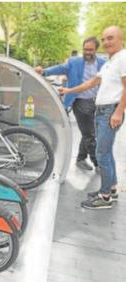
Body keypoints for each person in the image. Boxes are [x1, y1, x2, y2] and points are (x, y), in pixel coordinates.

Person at [59, 26, 126, 209]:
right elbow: (91, 83)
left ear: (121, 38)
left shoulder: (123, 58)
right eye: (104, 39)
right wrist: (69, 90)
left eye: (110, 38)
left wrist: (119, 111)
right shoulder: (110, 62)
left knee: (101, 154)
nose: (106, 42)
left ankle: (104, 197)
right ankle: (111, 189)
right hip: (103, 110)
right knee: (106, 152)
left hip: (110, 111)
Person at [35, 37, 106, 171]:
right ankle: (99, 165)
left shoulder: (103, 63)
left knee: (89, 132)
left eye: (90, 50)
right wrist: (43, 71)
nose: (87, 52)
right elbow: (59, 68)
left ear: (96, 50)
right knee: (90, 135)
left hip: (97, 102)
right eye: (85, 49)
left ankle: (80, 159)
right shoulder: (74, 62)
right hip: (79, 101)